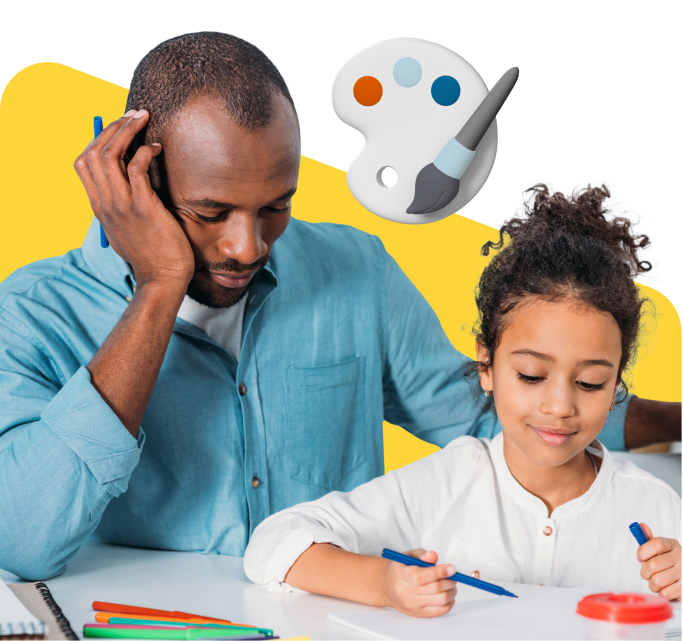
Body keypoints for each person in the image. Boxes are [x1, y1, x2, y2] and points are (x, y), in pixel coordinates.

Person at [0, 32, 678, 581]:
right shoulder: (31, 314)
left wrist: (668, 417)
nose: (246, 245)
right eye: (211, 213)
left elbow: (488, 413)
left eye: (276, 207)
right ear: (138, 176)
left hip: (328, 615)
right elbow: (25, 543)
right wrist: (158, 287)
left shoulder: (356, 269)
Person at [243, 185, 682, 616]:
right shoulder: (446, 484)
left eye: (589, 382)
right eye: (531, 375)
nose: (560, 405)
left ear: (616, 385)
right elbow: (273, 542)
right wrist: (384, 583)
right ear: (486, 367)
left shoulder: (653, 505)